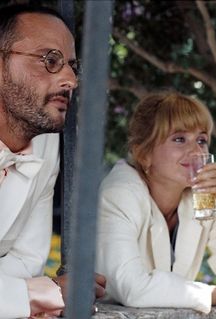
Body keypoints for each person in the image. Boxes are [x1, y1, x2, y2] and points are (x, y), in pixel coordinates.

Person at [0, 4, 105, 318]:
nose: (71, 80)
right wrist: (45, 292)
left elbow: (26, 260)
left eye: (73, 66)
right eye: (50, 60)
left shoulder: (46, 145)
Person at [96, 90, 216, 314]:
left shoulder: (204, 197)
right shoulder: (119, 194)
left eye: (202, 140)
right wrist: (214, 294)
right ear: (144, 154)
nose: (196, 150)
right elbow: (131, 287)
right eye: (180, 139)